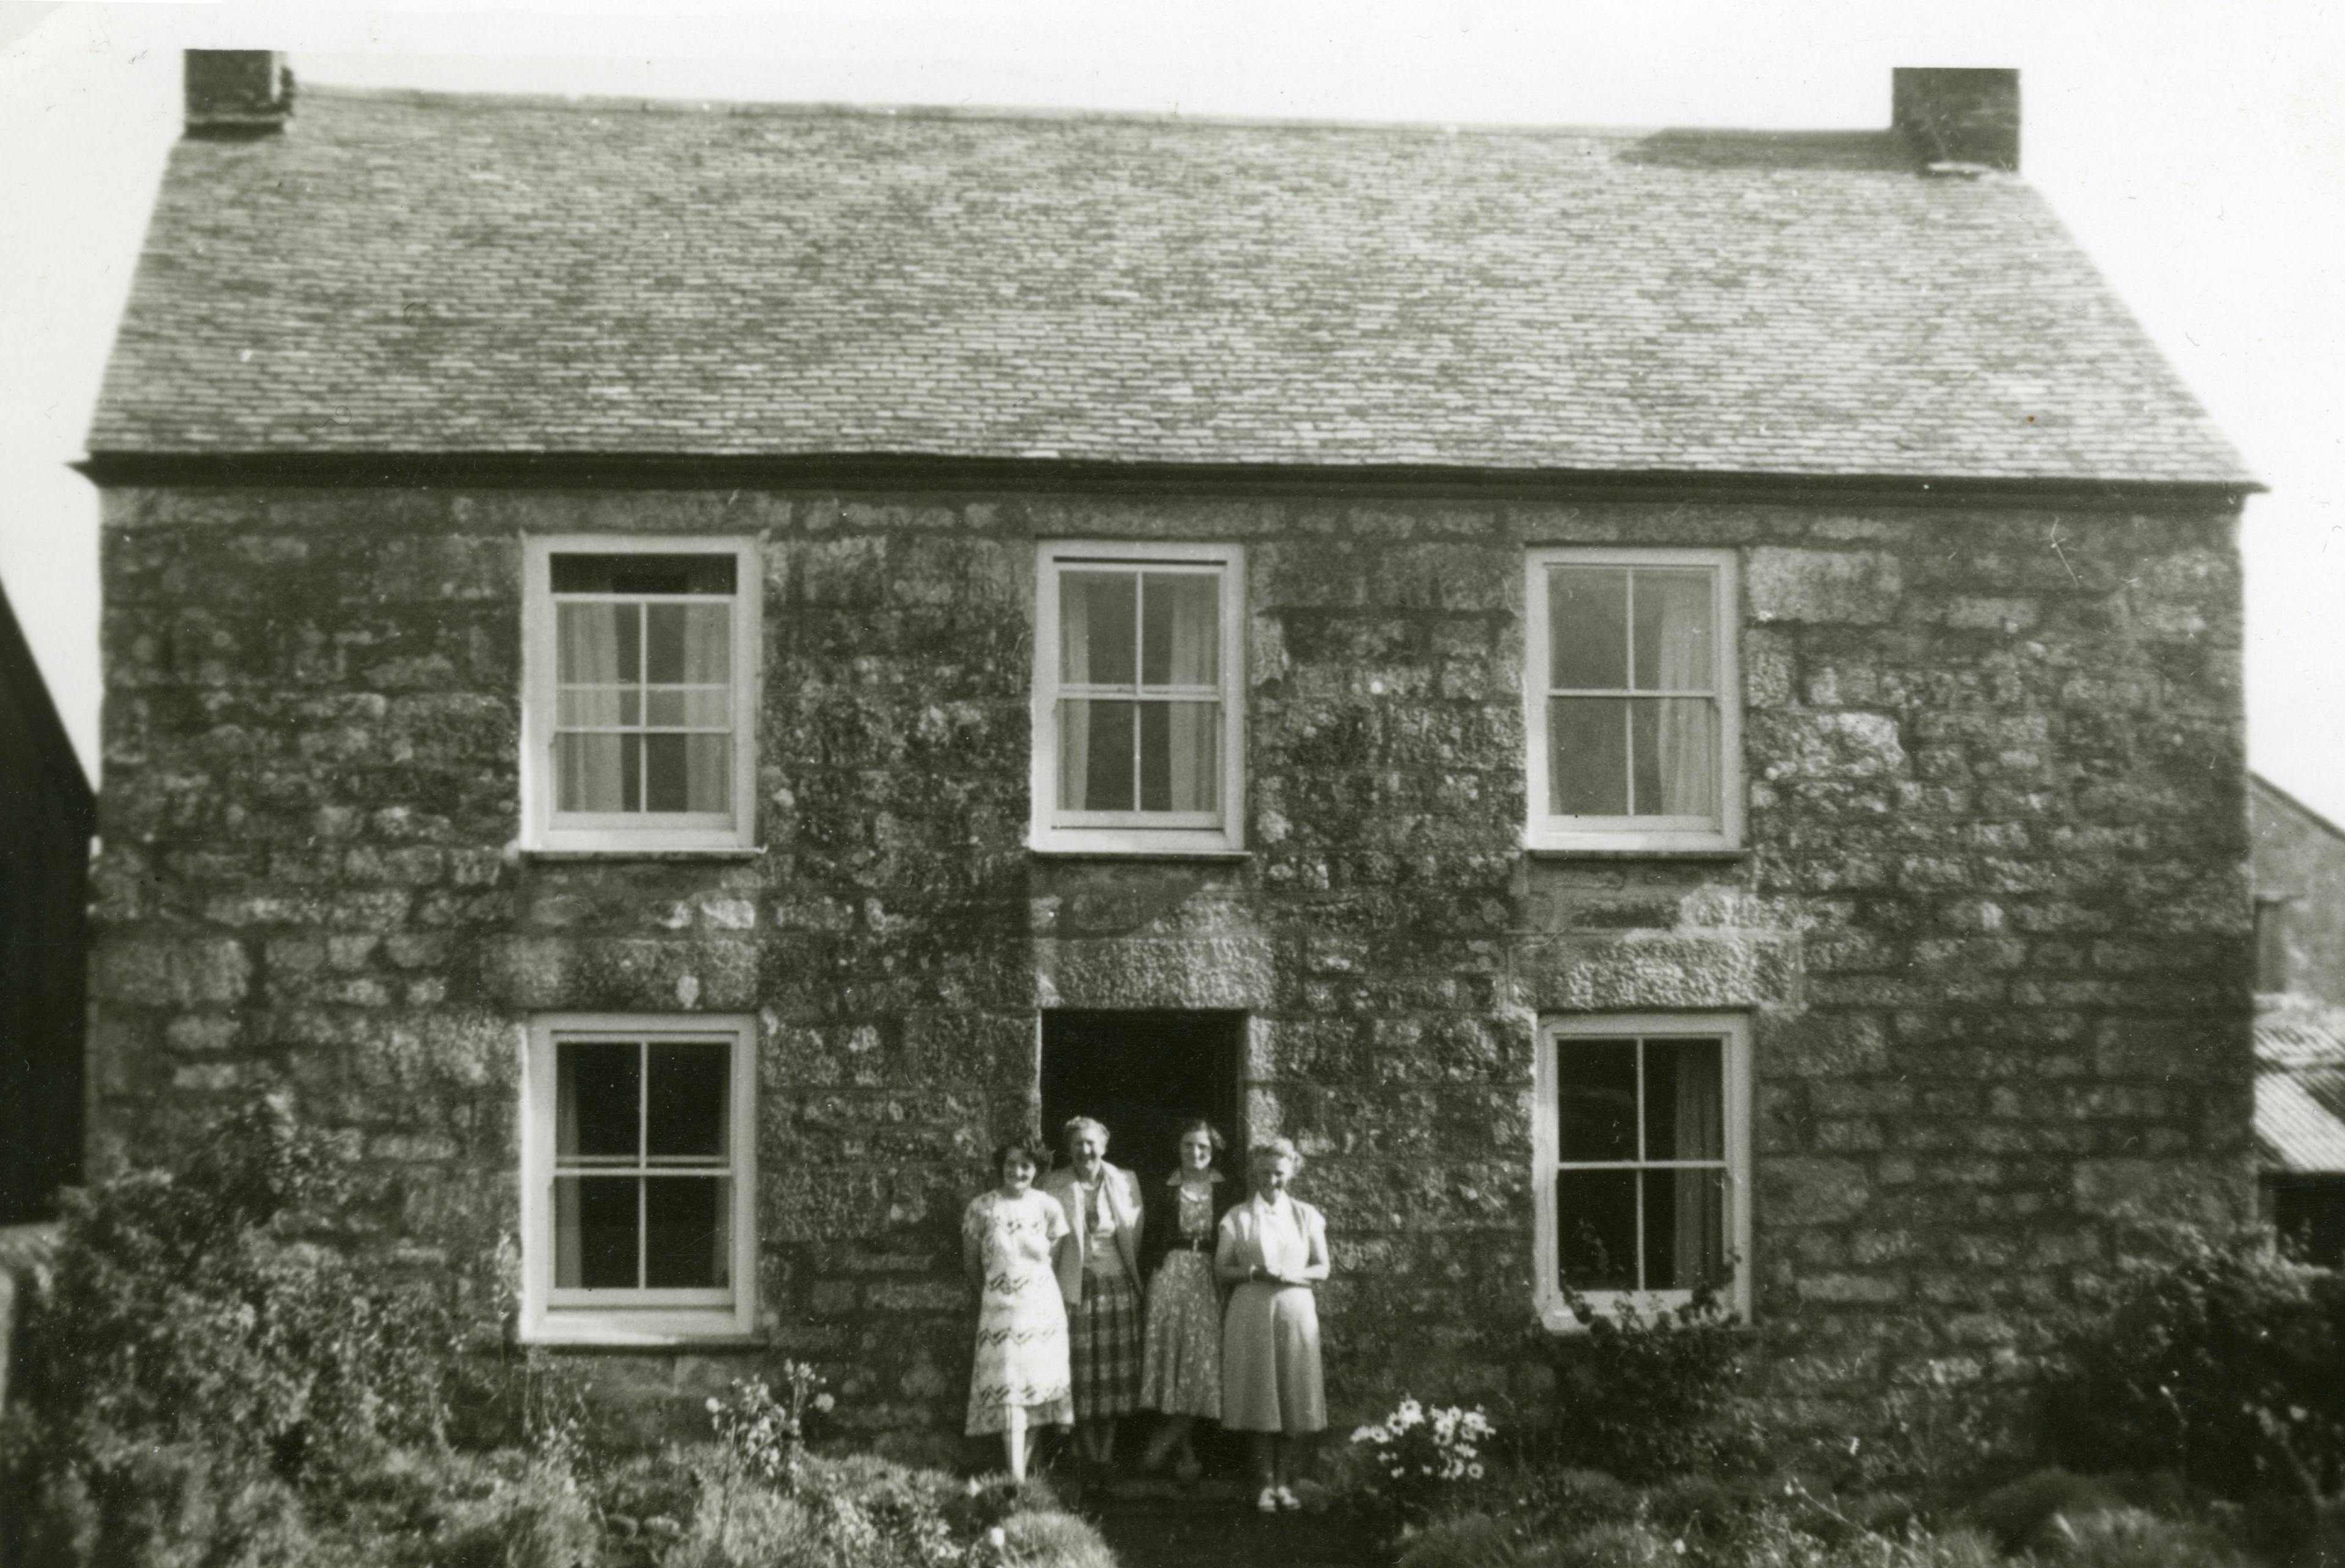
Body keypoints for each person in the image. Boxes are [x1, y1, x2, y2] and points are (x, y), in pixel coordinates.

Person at [1215, 1137, 1329, 1513]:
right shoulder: (1238, 1216)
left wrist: (1291, 1274)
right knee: (1260, 1394)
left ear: (1291, 1172)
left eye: (1279, 1173)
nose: (1271, 1181)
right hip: (1252, 1309)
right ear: (1254, 1173)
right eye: (1264, 1173)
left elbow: (1323, 1267)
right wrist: (1252, 1271)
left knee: (1294, 1393)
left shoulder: (1307, 1215)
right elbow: (1221, 1268)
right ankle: (1265, 1484)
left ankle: (1287, 1482)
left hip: (1295, 1311)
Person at [961, 1134, 1074, 1483]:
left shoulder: (1049, 1207)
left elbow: (1051, 1258)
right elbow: (970, 1264)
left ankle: (1017, 1479)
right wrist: (994, 1295)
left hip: (1042, 1309)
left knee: (1038, 1388)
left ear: (1036, 1169)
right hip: (1000, 1310)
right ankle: (1017, 1479)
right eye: (1011, 1164)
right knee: (1010, 1390)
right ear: (1001, 1167)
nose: (1018, 1171)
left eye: (1026, 1165)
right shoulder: (981, 1208)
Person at [1038, 1116, 1145, 1473]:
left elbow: (1135, 1236)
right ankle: (1089, 1452)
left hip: (1117, 1288)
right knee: (1082, 1373)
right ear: (1068, 1149)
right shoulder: (1054, 1184)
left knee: (1114, 1374)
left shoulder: (1125, 1181)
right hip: (1075, 1288)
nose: (1086, 1150)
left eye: (1091, 1143)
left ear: (1105, 1145)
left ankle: (1106, 1453)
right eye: (1078, 1144)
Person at [1138, 1119, 1232, 1482]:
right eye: (1188, 1146)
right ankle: (1186, 1455)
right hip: (1169, 1277)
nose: (1196, 1154)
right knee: (1171, 1362)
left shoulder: (1228, 1190)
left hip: (1208, 1276)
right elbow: (1146, 1237)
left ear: (1213, 1151)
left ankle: (1161, 1445)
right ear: (1178, 1149)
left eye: (1203, 1148)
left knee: (1201, 1364)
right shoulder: (1163, 1187)